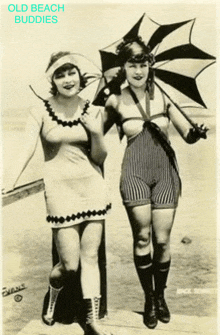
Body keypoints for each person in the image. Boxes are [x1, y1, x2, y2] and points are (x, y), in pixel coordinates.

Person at [2, 51, 112, 335]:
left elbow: (99, 158)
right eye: (60, 74)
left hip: (92, 187)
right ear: (52, 79)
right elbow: (26, 148)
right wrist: (9, 180)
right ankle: (52, 296)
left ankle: (93, 321)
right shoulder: (40, 110)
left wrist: (96, 133)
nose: (67, 79)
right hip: (59, 192)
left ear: (80, 76)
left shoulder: (93, 109)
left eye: (71, 72)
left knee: (90, 258)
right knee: (69, 266)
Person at [102, 36, 206, 329]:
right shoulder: (114, 99)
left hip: (165, 173)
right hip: (133, 173)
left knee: (162, 240)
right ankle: (148, 298)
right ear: (123, 67)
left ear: (151, 64)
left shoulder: (163, 96)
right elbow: (95, 137)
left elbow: (187, 135)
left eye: (143, 63)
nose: (138, 70)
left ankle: (160, 296)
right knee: (142, 238)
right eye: (132, 64)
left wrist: (197, 132)